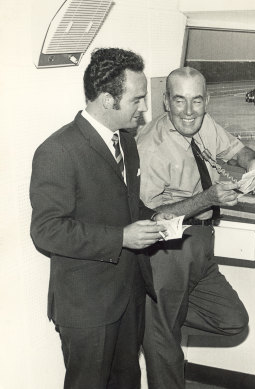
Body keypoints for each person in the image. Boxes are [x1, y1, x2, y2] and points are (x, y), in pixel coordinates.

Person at [29, 48, 173, 389]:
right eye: (137, 100)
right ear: (108, 99)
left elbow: (125, 204)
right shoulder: (58, 150)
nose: (144, 108)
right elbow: (46, 230)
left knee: (127, 381)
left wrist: (155, 217)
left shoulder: (126, 142)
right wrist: (121, 238)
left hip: (128, 294)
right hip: (87, 306)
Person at [137, 67, 255, 389]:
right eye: (179, 101)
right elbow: (150, 217)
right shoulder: (150, 146)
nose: (189, 112)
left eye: (196, 101)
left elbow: (235, 150)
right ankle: (153, 318)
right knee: (164, 346)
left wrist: (252, 163)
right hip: (167, 249)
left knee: (233, 321)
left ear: (206, 101)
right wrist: (207, 198)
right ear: (166, 102)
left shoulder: (203, 124)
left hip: (201, 245)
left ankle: (153, 316)